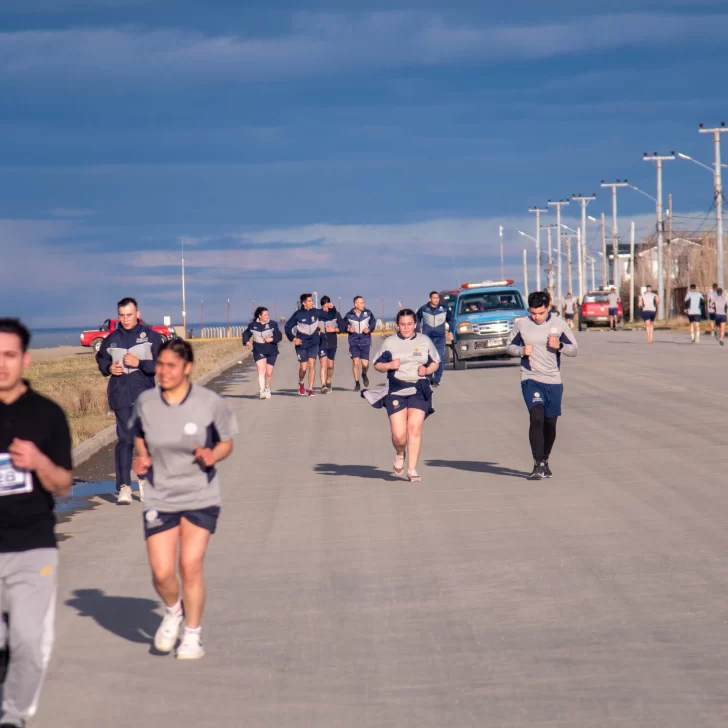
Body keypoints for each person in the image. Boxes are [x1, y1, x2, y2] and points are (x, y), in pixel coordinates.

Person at [130, 339, 237, 660]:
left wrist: (212, 454)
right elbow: (139, 433)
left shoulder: (208, 403)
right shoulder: (146, 401)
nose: (163, 372)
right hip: (160, 494)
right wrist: (142, 457)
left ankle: (192, 634)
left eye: (171, 366)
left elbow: (227, 442)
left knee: (189, 565)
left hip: (199, 494)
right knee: (162, 572)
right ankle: (173, 611)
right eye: (159, 365)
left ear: (187, 368)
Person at [0, 318, 73, 727]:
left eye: (9, 355)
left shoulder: (47, 415)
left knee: (28, 640)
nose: (1, 365)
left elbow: (63, 485)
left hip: (33, 545)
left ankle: (15, 716)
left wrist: (40, 462)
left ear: (25, 359)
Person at [505, 291, 578, 480]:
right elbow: (508, 346)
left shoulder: (559, 325)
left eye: (540, 313)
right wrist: (522, 350)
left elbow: (574, 350)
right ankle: (538, 463)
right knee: (536, 417)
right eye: (533, 313)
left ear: (548, 307)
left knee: (550, 423)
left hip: (553, 380)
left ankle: (545, 460)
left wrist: (559, 346)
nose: (536, 317)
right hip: (530, 378)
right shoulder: (521, 324)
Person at [96, 297, 162, 505]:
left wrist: (139, 363)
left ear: (137, 314)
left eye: (129, 315)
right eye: (122, 316)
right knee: (125, 440)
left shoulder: (152, 338)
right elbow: (102, 360)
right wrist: (109, 369)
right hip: (121, 394)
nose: (125, 319)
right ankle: (124, 487)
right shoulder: (111, 339)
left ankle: (145, 482)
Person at [363, 309, 440, 483]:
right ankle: (400, 453)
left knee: (414, 428)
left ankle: (412, 469)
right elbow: (377, 365)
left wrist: (427, 370)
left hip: (419, 389)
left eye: (409, 324)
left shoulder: (424, 341)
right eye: (403, 324)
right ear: (398, 325)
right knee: (399, 435)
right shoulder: (390, 343)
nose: (406, 328)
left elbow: (436, 362)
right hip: (396, 390)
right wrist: (389, 364)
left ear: (416, 324)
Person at [284, 294, 327, 397]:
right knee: (303, 368)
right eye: (309, 301)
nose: (312, 302)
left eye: (312, 300)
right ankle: (301, 382)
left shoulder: (316, 312)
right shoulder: (298, 314)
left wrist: (331, 307)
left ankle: (310, 389)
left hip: (314, 342)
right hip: (302, 343)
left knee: (312, 364)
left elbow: (328, 315)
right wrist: (293, 338)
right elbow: (287, 327)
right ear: (304, 303)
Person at [243, 307, 282, 399]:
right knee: (261, 371)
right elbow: (246, 334)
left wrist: (271, 339)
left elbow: (279, 336)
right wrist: (247, 341)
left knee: (269, 373)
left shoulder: (272, 324)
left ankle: (267, 388)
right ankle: (262, 391)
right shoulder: (252, 325)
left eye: (267, 314)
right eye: (264, 315)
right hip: (258, 350)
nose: (267, 316)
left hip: (271, 350)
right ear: (259, 316)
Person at [416, 291, 452, 388]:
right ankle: (428, 376)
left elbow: (451, 319)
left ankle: (437, 380)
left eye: (437, 298)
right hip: (427, 338)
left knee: (439, 358)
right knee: (428, 359)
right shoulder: (424, 309)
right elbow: (417, 318)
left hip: (440, 338)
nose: (436, 300)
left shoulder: (443, 309)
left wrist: (451, 331)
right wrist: (417, 330)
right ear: (430, 299)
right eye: (434, 298)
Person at [345, 296, 377, 392]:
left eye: (363, 302)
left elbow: (373, 323)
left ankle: (364, 373)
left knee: (365, 364)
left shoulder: (368, 313)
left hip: (365, 341)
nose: (364, 304)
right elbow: (343, 325)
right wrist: (348, 329)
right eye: (361, 303)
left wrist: (369, 329)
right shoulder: (349, 315)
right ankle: (357, 383)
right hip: (353, 341)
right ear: (356, 304)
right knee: (355, 363)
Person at [318, 296, 346, 394]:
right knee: (323, 364)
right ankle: (323, 386)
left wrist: (333, 330)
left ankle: (328, 381)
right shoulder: (318, 314)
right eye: (324, 307)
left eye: (327, 306)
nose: (326, 309)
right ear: (321, 306)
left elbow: (343, 327)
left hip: (332, 342)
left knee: (330, 365)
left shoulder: (335, 314)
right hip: (321, 342)